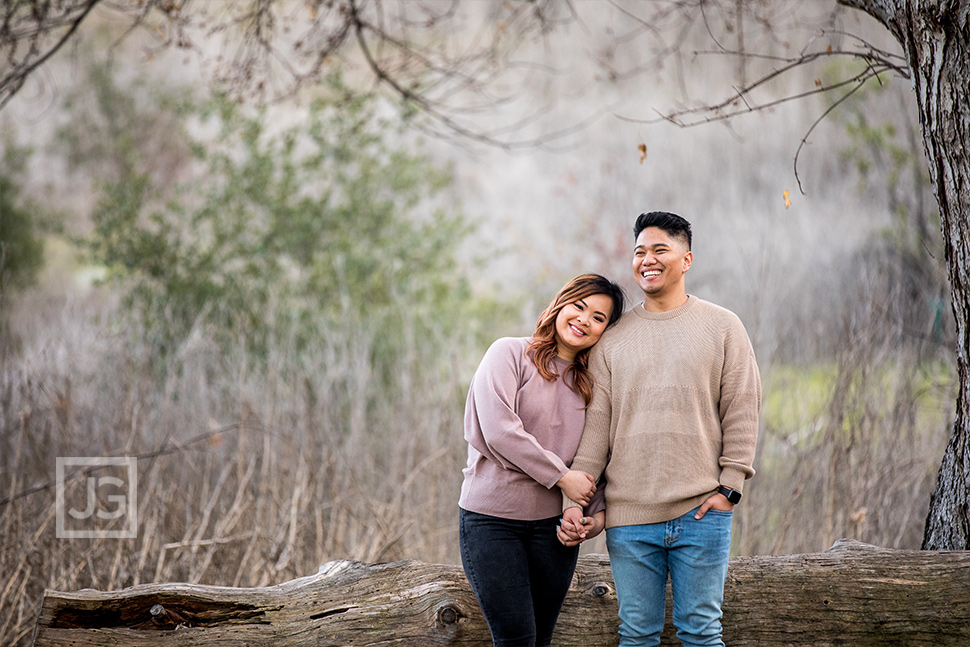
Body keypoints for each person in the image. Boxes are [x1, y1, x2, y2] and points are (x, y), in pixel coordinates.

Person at [560, 212, 761, 647]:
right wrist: (574, 502)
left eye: (659, 250)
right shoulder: (612, 338)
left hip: (702, 512)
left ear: (686, 259)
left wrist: (730, 488)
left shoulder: (723, 326)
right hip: (629, 519)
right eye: (639, 252)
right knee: (636, 634)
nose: (646, 260)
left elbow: (742, 408)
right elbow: (596, 432)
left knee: (703, 633)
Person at [459, 273, 625, 647]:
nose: (584, 320)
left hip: (553, 532)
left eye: (598, 318)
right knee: (517, 638)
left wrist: (592, 518)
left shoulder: (591, 384)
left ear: (605, 332)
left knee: (541, 639)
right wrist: (562, 477)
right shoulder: (509, 353)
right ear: (560, 305)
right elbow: (500, 431)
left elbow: (595, 456)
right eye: (579, 307)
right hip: (492, 522)